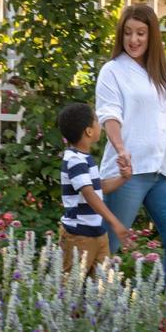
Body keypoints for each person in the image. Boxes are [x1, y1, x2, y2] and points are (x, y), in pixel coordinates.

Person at [94, 3, 166, 278]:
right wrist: (121, 150)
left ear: (152, 36)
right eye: (128, 33)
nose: (133, 40)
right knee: (108, 246)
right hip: (129, 173)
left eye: (140, 33)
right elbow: (109, 114)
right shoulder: (113, 70)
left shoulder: (160, 74)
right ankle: (86, 310)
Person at [57, 102, 130, 277]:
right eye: (97, 121)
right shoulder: (74, 160)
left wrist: (123, 177)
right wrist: (115, 222)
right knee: (71, 288)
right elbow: (89, 194)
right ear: (89, 131)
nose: (101, 126)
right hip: (79, 236)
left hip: (98, 234)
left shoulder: (84, 158)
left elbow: (99, 187)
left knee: (102, 287)